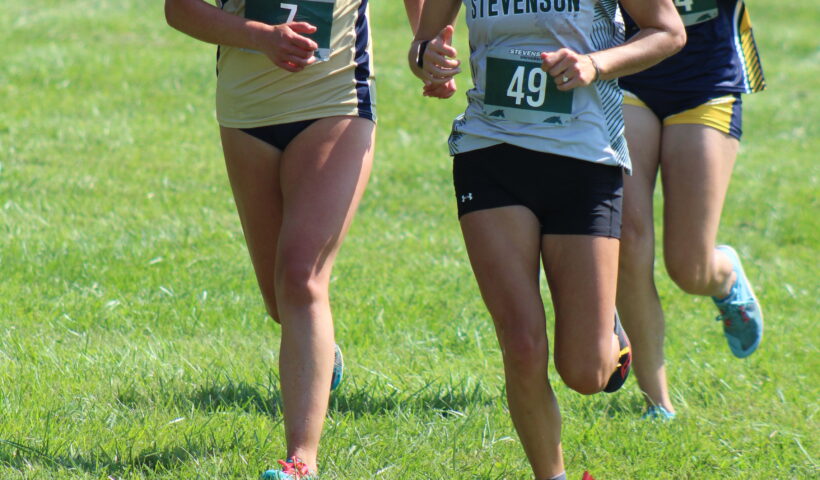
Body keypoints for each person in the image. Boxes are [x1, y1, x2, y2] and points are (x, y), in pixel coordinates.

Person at [408, 1, 685, 479]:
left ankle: (607, 332)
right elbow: (422, 44)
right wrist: (429, 59)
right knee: (520, 342)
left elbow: (668, 32)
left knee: (585, 372)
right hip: (489, 149)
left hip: (584, 156)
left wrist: (594, 64)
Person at [165, 1, 420, 478]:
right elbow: (179, 10)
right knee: (280, 301)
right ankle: (323, 355)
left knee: (301, 278)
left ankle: (301, 461)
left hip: (335, 99)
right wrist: (262, 36)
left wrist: (425, 42)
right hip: (246, 112)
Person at [616, 0, 766, 420]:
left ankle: (723, 276)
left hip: (707, 79)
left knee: (688, 268)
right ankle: (656, 402)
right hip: (625, 68)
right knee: (627, 238)